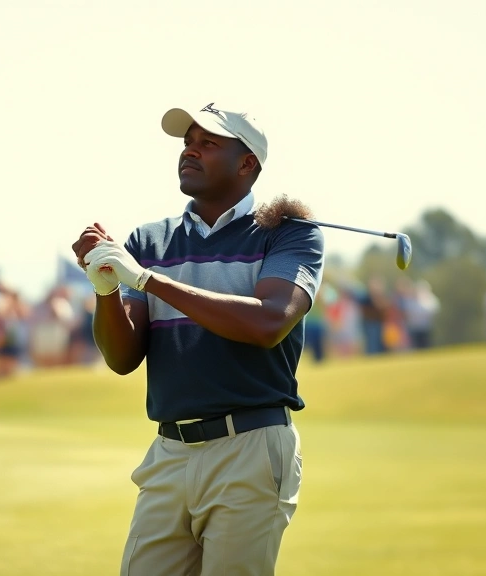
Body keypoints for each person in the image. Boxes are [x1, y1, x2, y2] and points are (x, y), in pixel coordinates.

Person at [72, 102, 323, 575]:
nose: (190, 152)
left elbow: (268, 323)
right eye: (188, 143)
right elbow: (123, 357)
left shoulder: (289, 235)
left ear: (247, 163)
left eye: (208, 143)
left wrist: (147, 281)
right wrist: (106, 288)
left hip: (250, 446)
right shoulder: (151, 241)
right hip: (169, 451)